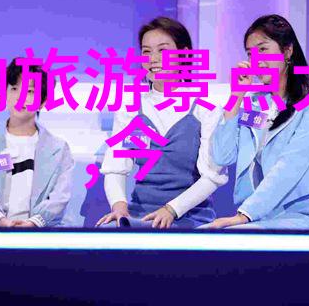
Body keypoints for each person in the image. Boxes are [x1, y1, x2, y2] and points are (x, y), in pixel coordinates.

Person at [207, 14, 309, 229]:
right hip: (260, 217)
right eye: (250, 54)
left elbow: (291, 164)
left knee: (226, 238)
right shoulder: (254, 103)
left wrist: (245, 215)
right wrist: (236, 96)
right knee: (203, 237)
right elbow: (222, 156)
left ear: (287, 51)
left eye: (263, 50)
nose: (256, 60)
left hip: (305, 215)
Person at [96, 17, 227, 229]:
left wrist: (171, 210)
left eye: (163, 51)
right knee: (106, 231)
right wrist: (119, 207)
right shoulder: (131, 108)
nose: (153, 59)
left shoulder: (206, 108)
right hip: (141, 216)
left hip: (189, 217)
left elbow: (212, 176)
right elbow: (115, 168)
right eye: (146, 52)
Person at [0, 58, 74, 227]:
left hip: (42, 233)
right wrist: (1, 221)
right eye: (14, 88)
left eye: (29, 91)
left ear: (43, 101)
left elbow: (60, 196)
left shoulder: (59, 149)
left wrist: (33, 224)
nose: (19, 97)